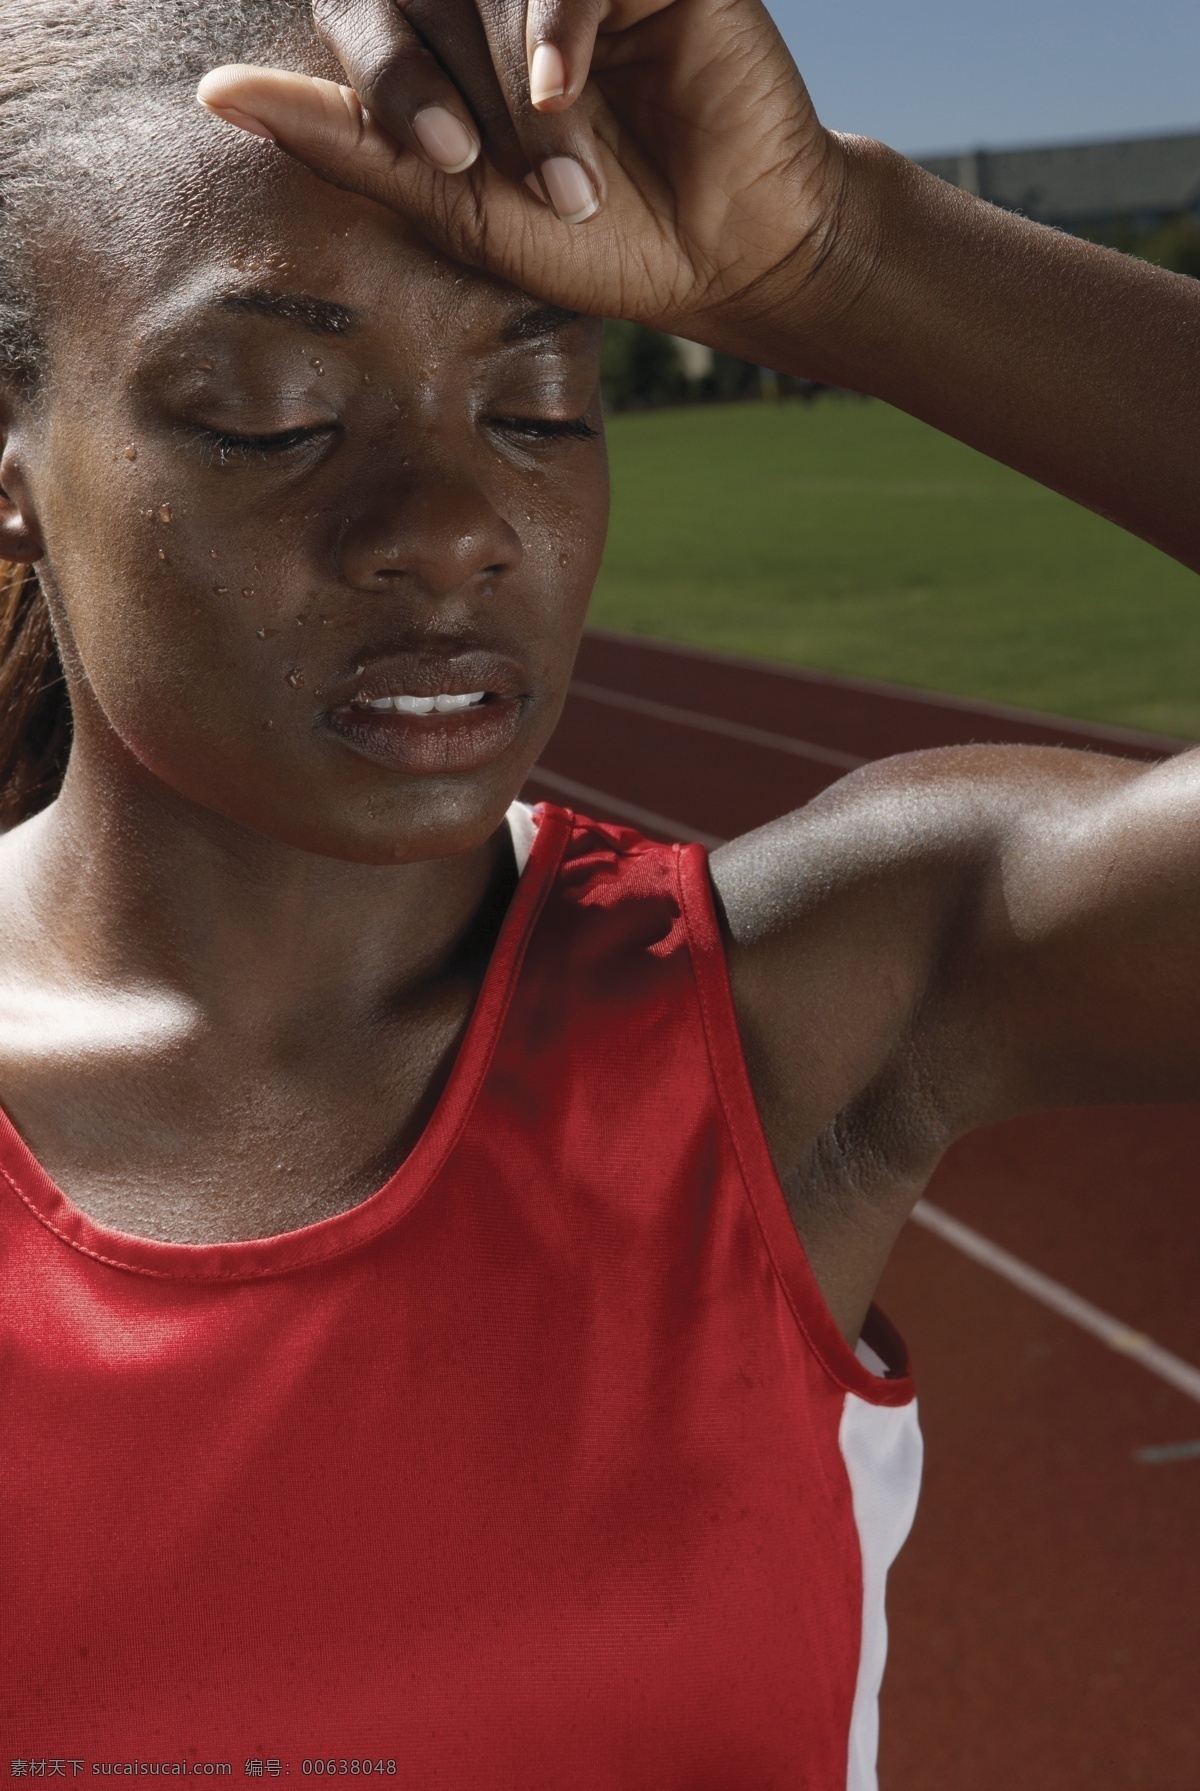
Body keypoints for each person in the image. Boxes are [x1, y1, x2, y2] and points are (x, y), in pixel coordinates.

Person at [1, 0, 1197, 1779]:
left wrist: (839, 255)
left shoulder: (816, 1009)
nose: (451, 516)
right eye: (273, 415)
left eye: (540, 401)